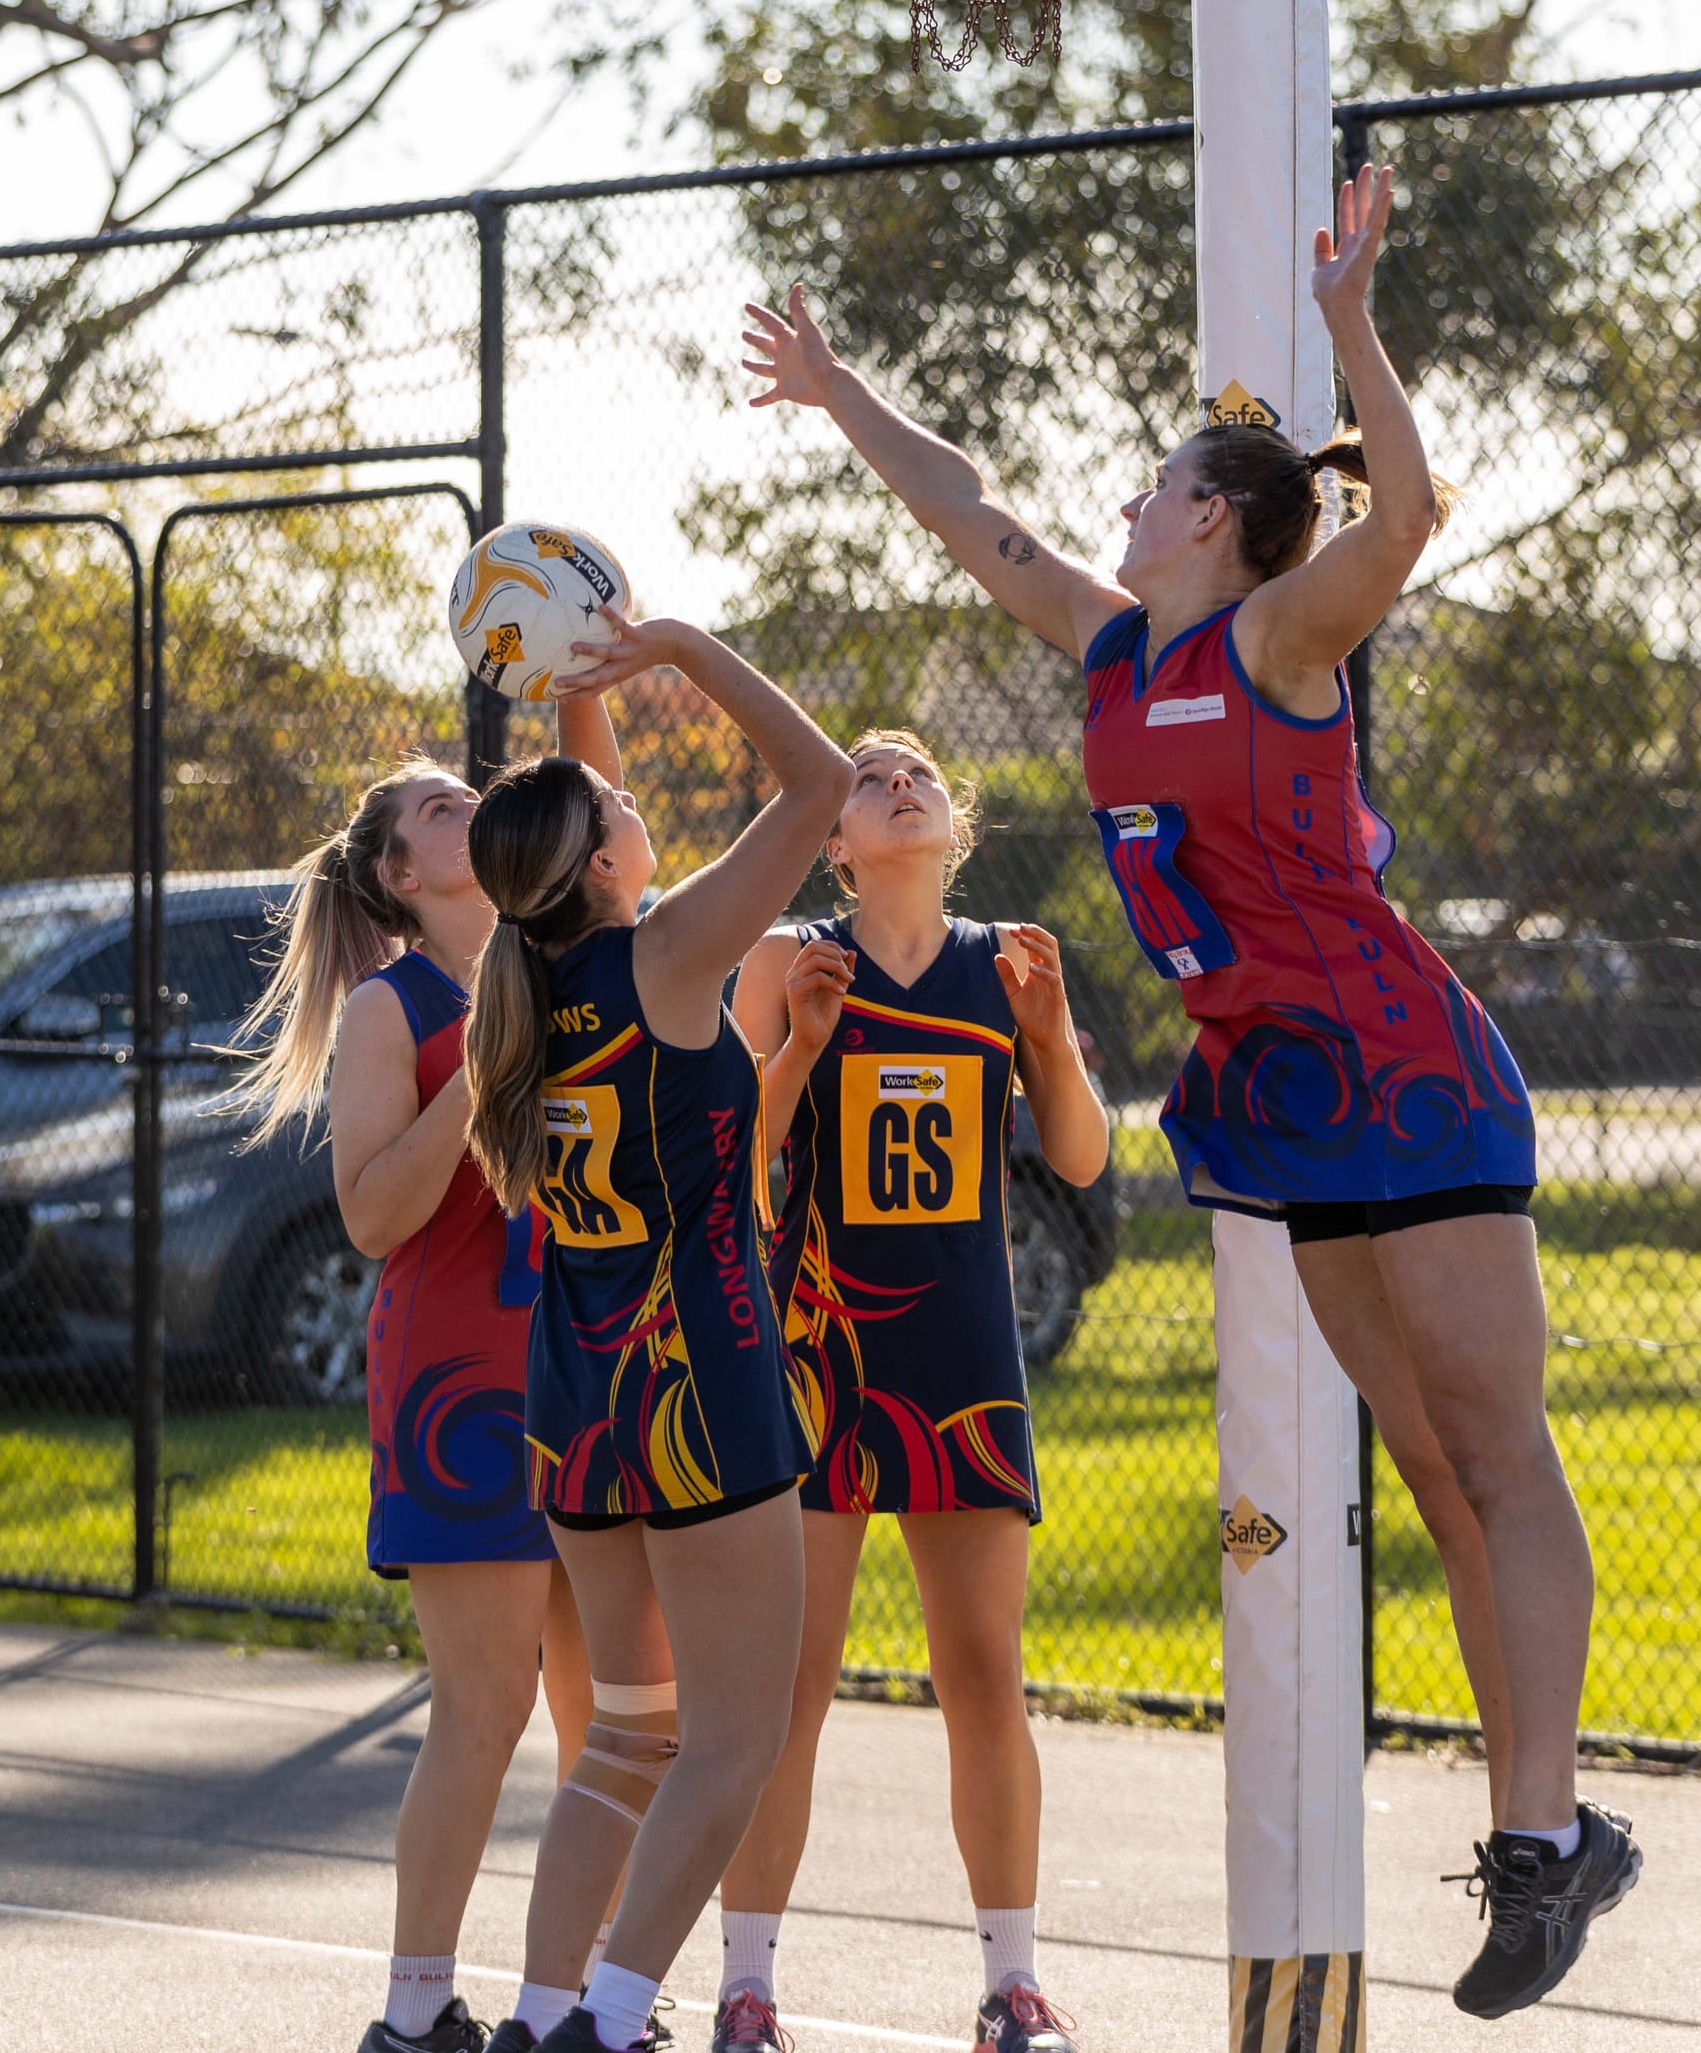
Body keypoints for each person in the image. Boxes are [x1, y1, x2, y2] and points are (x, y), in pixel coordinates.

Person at [735, 165, 1640, 2023]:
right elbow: (970, 516)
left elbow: (1397, 522)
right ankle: (1560, 1846)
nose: (1124, 502)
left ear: (1220, 524)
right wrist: (838, 401)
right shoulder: (1120, 651)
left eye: (1158, 485)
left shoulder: (1280, 639)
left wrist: (1351, 326)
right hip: (1274, 1094)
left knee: (1492, 1447)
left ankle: (1541, 1843)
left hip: (1402, 1070)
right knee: (1432, 1480)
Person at [460, 610, 854, 2053]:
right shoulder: (670, 958)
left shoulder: (537, 982)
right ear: (608, 866)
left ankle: (543, 2010)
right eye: (624, 811)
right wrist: (681, 647)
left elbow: (578, 819)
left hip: (580, 1409)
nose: (637, 804)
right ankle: (610, 2020)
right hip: (705, 1400)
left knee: (625, 1739)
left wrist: (578, 677)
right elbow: (816, 784)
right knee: (733, 1743)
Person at [712, 729, 1109, 2053]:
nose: (895, 783)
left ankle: (1013, 1985)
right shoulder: (788, 963)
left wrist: (1051, 1043)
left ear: (955, 824)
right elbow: (729, 1164)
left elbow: (1082, 1154)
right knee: (791, 1686)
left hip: (959, 1360)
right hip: (816, 1357)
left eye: (919, 775)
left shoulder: (1005, 963)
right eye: (866, 778)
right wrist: (799, 1053)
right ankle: (748, 1988)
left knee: (984, 1672)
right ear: (832, 838)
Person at [234, 700, 620, 2053]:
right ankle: (414, 2012)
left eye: (471, 796)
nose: (470, 806)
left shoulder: (572, 957)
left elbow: (607, 814)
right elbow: (373, 1216)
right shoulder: (391, 1012)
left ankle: (579, 2000)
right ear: (403, 876)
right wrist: (487, 1070)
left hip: (598, 1366)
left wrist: (595, 683)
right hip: (462, 1385)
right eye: (440, 809)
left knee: (619, 1711)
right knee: (489, 1707)